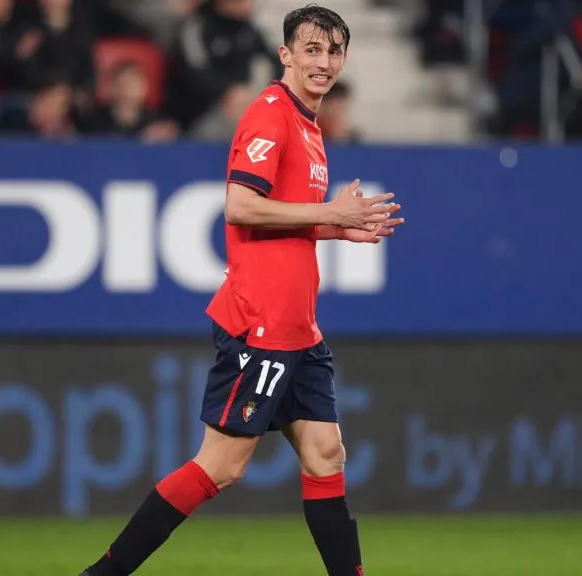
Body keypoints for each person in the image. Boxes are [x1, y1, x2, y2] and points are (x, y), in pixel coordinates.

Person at [79, 4, 404, 576]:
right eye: (311, 49)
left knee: (326, 454)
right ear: (285, 55)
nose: (322, 62)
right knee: (221, 466)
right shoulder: (271, 114)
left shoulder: (308, 126)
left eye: (333, 51)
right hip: (262, 323)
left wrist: (335, 227)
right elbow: (239, 204)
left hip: (298, 328)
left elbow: (280, 218)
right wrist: (330, 210)